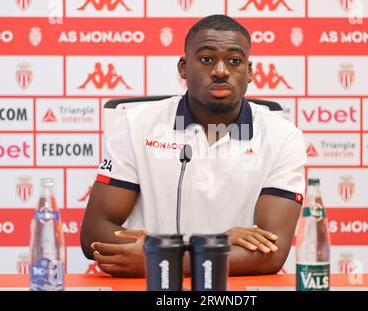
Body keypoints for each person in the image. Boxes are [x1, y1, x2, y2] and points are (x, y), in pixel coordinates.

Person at [80, 14, 306, 277]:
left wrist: (162, 259)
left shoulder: (282, 136)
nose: (221, 71)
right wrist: (216, 245)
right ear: (183, 68)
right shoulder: (138, 124)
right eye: (206, 59)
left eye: (234, 61)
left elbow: (272, 254)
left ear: (250, 72)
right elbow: (94, 233)